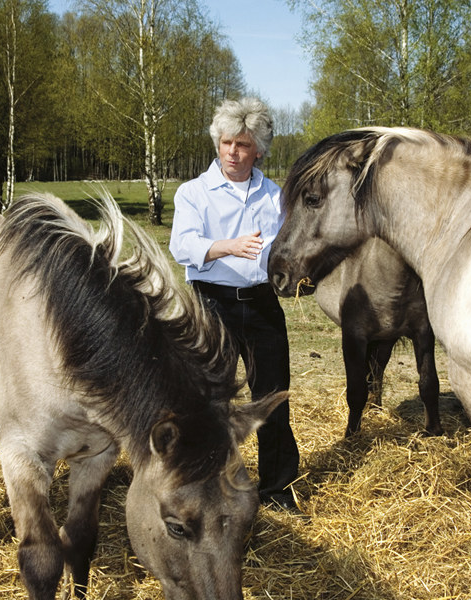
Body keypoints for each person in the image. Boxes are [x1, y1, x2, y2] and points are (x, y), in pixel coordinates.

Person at [169, 97, 300, 512]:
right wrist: (228, 248)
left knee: (273, 398)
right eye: (226, 142)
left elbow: (285, 251)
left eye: (242, 145)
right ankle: (212, 491)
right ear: (217, 143)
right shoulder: (194, 193)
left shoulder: (276, 196)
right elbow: (181, 246)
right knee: (210, 403)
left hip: (261, 307)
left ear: (258, 149)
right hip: (211, 306)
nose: (232, 152)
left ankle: (277, 490)